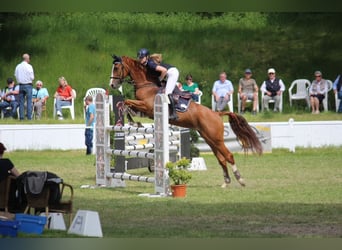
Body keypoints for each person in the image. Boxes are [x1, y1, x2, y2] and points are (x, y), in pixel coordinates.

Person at [137, 48, 179, 120]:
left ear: (147, 57)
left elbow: (164, 70)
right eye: (139, 57)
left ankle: (173, 114)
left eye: (142, 57)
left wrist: (160, 79)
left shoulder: (150, 64)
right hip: (169, 73)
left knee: (167, 93)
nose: (140, 59)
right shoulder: (147, 64)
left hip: (172, 73)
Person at [14, 53, 34, 120]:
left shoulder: (18, 66)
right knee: (29, 101)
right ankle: (29, 117)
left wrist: (19, 81)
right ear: (27, 59)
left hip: (21, 85)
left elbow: (16, 75)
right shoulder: (29, 66)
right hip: (28, 85)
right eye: (29, 59)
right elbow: (32, 77)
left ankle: (21, 118)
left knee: (21, 102)